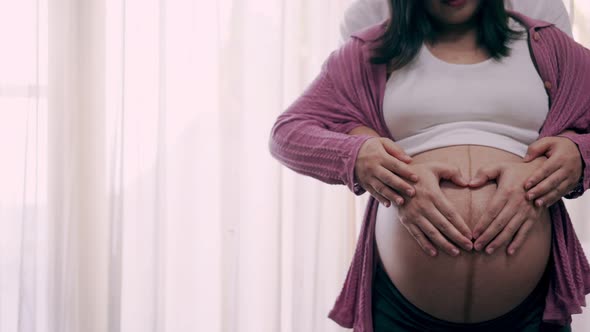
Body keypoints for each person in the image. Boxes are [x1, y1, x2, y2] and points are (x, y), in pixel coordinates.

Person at [268, 0, 590, 331]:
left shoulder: (546, 45)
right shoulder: (368, 52)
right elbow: (287, 134)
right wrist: (358, 156)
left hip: (530, 312)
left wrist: (580, 154)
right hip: (400, 311)